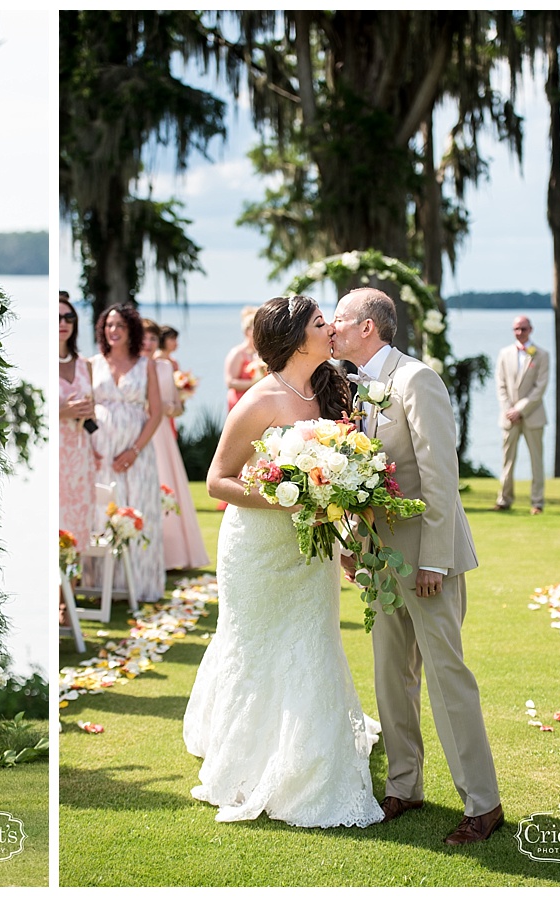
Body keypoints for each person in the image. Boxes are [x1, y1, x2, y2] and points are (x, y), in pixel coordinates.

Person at [183, 294, 382, 828]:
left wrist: (343, 535)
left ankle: (312, 764)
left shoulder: (329, 391)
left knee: (313, 642)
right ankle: (247, 758)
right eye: (322, 323)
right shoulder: (260, 401)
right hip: (257, 547)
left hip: (310, 544)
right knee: (255, 646)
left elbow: (337, 481)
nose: (332, 330)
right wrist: (280, 498)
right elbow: (216, 481)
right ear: (297, 339)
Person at [331, 287, 501, 846]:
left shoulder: (416, 380)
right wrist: (353, 543)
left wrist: (435, 559)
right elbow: (354, 479)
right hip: (381, 559)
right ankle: (403, 784)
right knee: (390, 676)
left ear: (368, 329)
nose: (331, 330)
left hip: (428, 559)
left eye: (339, 320)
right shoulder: (349, 388)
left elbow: (440, 477)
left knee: (447, 677)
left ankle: (483, 802)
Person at [88, 303, 165, 603]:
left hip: (138, 454)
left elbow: (156, 413)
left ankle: (142, 586)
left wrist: (134, 450)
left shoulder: (146, 365)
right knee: (103, 514)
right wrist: (92, 446)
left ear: (131, 329)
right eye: (109, 325)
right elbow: (87, 414)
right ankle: (103, 587)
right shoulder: (93, 364)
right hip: (101, 455)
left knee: (139, 509)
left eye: (120, 325)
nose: (114, 330)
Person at [142, 318, 209, 571]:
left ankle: (172, 555)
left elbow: (176, 407)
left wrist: (168, 406)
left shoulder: (164, 367)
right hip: (136, 431)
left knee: (166, 484)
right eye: (144, 338)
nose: (148, 343)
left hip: (161, 433)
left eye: (152, 339)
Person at [493, 315, 549, 514]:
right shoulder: (504, 353)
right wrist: (509, 409)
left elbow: (540, 387)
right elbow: (500, 385)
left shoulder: (542, 354)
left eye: (523, 329)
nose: (520, 332)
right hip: (509, 417)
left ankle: (537, 501)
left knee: (536, 460)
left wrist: (520, 409)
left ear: (531, 329)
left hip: (532, 415)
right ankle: (504, 499)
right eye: (516, 329)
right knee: (507, 459)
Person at [59, 295, 97, 553]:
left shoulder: (85, 364)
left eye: (69, 317)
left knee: (78, 522)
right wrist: (63, 411)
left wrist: (89, 412)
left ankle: (71, 590)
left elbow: (92, 411)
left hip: (81, 453)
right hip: (58, 452)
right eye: (58, 317)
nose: (64, 322)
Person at [223, 305, 266, 412]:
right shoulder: (237, 353)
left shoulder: (262, 353)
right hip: (240, 400)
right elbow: (230, 382)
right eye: (255, 328)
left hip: (260, 400)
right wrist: (254, 384)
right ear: (247, 331)